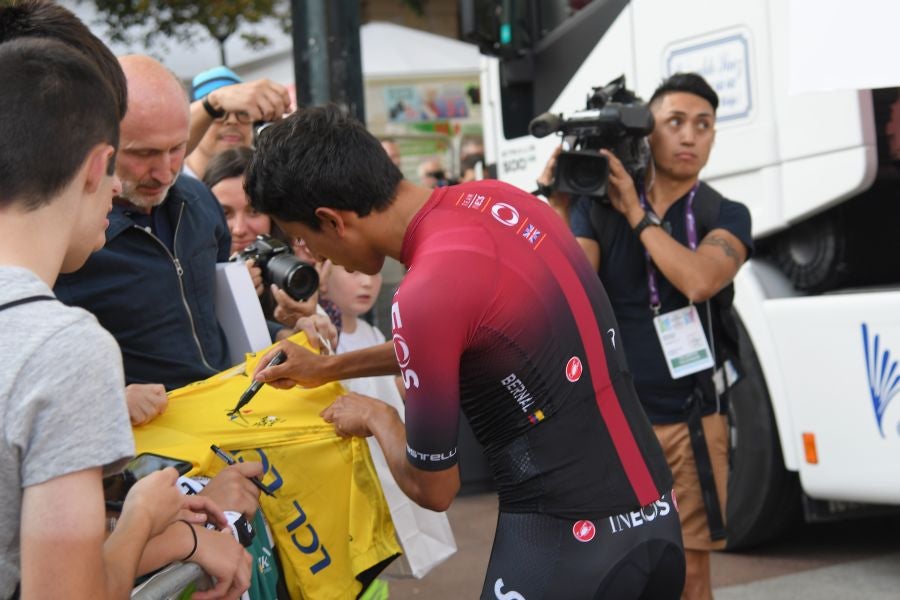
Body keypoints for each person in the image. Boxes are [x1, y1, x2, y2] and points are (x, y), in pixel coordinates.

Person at [245, 105, 685, 599]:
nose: (315, 256)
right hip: (658, 522)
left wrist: (378, 417)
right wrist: (328, 367)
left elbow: (435, 489)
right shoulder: (501, 199)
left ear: (332, 219)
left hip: (565, 550)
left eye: (304, 238)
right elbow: (469, 335)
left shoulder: (422, 294)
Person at [0, 35, 245, 600]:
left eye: (177, 151)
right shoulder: (65, 349)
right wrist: (143, 519)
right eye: (132, 158)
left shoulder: (196, 206)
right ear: (98, 165)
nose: (155, 176)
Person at [542, 73, 753, 600]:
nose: (689, 136)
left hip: (691, 420)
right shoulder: (597, 209)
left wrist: (638, 214)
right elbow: (568, 291)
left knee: (690, 574)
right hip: (616, 423)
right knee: (616, 570)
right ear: (646, 132)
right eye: (675, 122)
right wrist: (560, 208)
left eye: (703, 125)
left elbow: (700, 279)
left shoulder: (723, 213)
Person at [202, 146, 339, 341]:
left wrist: (307, 321)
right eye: (225, 213)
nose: (239, 229)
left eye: (254, 212)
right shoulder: (186, 278)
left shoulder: (294, 275)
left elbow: (326, 355)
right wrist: (226, 294)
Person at [186, 66, 291, 176]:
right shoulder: (170, 180)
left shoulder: (269, 180)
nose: (232, 121)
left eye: (242, 112)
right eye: (218, 112)